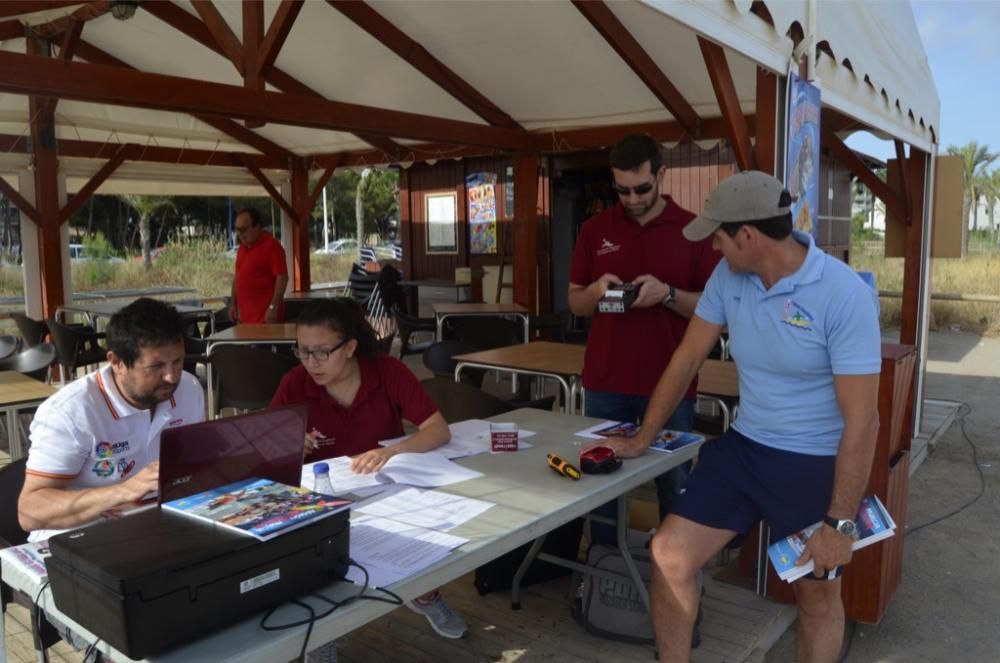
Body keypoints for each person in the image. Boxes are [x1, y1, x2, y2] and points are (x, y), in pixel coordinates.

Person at [588, 171, 882, 663]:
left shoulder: (842, 294)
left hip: (812, 461)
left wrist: (841, 524)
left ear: (748, 237)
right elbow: (686, 360)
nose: (714, 250)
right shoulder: (730, 276)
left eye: (719, 238)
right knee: (669, 554)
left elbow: (863, 422)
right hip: (745, 447)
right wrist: (643, 438)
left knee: (816, 597)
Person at [269, 298, 467, 641]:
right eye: (302, 351)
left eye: (321, 352)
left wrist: (393, 451)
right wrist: (287, 444)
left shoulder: (387, 372)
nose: (311, 363)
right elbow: (264, 444)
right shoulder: (294, 383)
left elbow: (437, 428)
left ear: (350, 347)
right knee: (316, 559)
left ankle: (424, 592)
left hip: (383, 488)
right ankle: (322, 635)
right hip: (319, 496)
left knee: (423, 532)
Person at [568, 134, 720, 539]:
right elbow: (575, 303)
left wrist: (667, 294)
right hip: (606, 381)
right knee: (601, 482)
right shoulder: (594, 230)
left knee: (674, 482)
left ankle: (675, 570)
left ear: (662, 175)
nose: (632, 199)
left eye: (642, 189)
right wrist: (596, 291)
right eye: (622, 190)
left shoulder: (694, 231)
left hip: (670, 385)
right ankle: (603, 570)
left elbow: (716, 308)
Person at [18, 298, 205, 542]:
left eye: (178, 361)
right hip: (79, 541)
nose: (171, 376)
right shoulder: (71, 412)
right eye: (157, 365)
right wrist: (124, 491)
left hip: (157, 531)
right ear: (116, 362)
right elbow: (30, 512)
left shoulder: (188, 389)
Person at [229, 206, 289, 324]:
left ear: (257, 227)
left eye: (244, 229)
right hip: (245, 321)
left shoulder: (272, 246)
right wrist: (233, 304)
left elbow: (282, 278)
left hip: (266, 321)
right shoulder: (242, 248)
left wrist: (273, 306)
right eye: (238, 230)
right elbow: (237, 277)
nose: (240, 234)